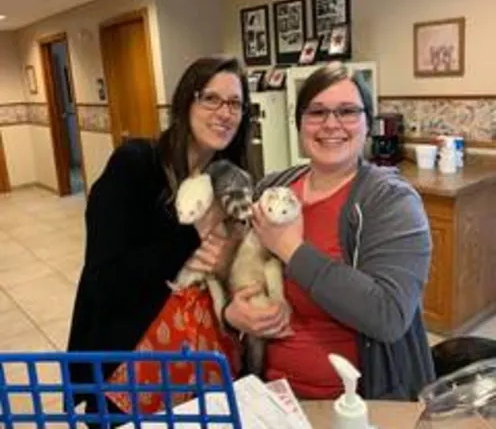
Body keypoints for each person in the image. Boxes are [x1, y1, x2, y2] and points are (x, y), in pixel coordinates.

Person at [66, 55, 288, 423]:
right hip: (131, 370)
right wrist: (194, 232)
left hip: (207, 364)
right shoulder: (136, 166)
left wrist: (237, 312)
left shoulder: (233, 181)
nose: (225, 112)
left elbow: (224, 277)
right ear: (186, 102)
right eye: (211, 98)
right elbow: (104, 283)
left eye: (235, 103)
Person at [224, 62, 436, 401]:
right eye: (317, 112)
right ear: (300, 123)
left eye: (348, 111)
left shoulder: (391, 200)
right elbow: (231, 269)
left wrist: (291, 249)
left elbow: (388, 315)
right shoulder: (273, 187)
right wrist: (232, 312)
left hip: (357, 403)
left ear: (368, 123)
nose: (331, 124)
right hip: (268, 396)